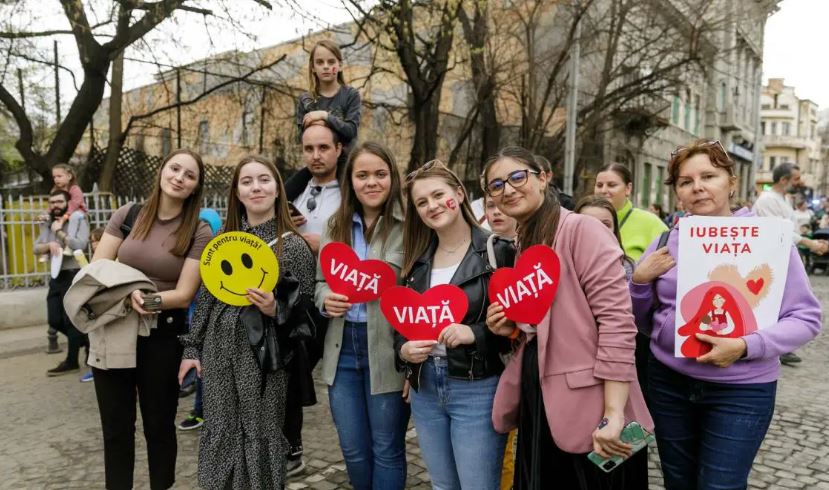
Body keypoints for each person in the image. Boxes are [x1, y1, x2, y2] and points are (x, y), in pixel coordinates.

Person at [630, 139, 821, 489]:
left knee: (721, 485)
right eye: (686, 182)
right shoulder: (664, 242)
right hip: (669, 383)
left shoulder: (769, 242)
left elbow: (806, 319)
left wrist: (747, 345)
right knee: (677, 481)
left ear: (731, 183)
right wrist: (639, 283)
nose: (697, 187)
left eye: (709, 175)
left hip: (741, 390)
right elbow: (644, 322)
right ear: (678, 194)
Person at [484, 147, 652, 490]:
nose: (508, 189)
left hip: (589, 402)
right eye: (496, 185)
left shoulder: (582, 231)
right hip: (541, 399)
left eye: (518, 177)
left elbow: (618, 324)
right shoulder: (525, 241)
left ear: (544, 177)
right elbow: (548, 325)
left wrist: (614, 412)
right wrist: (510, 327)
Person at [179, 155, 316, 489]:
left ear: (277, 190)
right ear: (237, 193)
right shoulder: (221, 241)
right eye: (247, 181)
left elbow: (306, 318)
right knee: (221, 427)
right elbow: (207, 300)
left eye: (264, 179)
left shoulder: (294, 246)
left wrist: (276, 309)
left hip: (264, 361)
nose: (256, 187)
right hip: (219, 352)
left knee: (259, 433)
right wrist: (192, 348)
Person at [91, 149, 211, 490]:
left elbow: (185, 293)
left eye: (189, 175)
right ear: (161, 171)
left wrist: (148, 298)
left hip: (161, 337)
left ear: (194, 187)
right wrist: (126, 291)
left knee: (158, 426)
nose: (179, 177)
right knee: (115, 429)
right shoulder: (128, 214)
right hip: (112, 330)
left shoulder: (198, 230)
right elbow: (98, 268)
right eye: (174, 168)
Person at [396, 159, 513, 490]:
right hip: (426, 388)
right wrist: (404, 350)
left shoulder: (498, 252)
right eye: (421, 202)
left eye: (438, 195)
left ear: (459, 194)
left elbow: (520, 330)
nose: (432, 206)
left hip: (477, 385)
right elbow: (401, 328)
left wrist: (473, 333)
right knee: (443, 486)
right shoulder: (416, 261)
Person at [315, 141, 409, 490]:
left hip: (386, 349)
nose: (372, 182)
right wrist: (326, 299)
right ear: (350, 181)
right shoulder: (334, 226)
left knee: (386, 448)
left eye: (380, 174)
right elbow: (319, 282)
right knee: (353, 450)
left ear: (392, 178)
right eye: (363, 175)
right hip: (342, 350)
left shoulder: (410, 226)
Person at [283, 120, 344, 475]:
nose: (316, 155)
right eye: (309, 149)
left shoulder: (351, 189)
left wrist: (315, 243)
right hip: (294, 294)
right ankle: (291, 447)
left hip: (334, 297)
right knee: (287, 371)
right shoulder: (294, 188)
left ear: (339, 149)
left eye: (323, 148)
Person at [595, 162, 667, 396]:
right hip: (594, 322)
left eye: (612, 184)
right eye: (599, 184)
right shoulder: (584, 217)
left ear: (628, 188)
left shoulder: (650, 223)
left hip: (636, 324)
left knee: (635, 389)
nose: (604, 190)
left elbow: (666, 265)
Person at [752, 162, 826, 365]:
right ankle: (773, 345)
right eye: (795, 178)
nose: (799, 182)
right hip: (771, 258)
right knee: (773, 303)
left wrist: (805, 237)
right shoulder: (767, 200)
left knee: (785, 303)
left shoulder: (783, 199)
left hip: (786, 257)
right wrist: (809, 243)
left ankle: (781, 345)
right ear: (783, 180)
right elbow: (778, 231)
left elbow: (788, 228)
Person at [285, 39, 362, 202]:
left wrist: (324, 117)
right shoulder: (306, 100)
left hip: (344, 162)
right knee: (285, 193)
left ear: (339, 65)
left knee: (352, 200)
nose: (326, 66)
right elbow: (302, 135)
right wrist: (329, 128)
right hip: (318, 161)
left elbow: (350, 131)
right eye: (320, 62)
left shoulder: (350, 95)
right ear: (313, 67)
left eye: (331, 61)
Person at [35, 190, 90, 376]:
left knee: (70, 319)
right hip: (56, 275)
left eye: (59, 201)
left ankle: (72, 361)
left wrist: (59, 232)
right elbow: (36, 247)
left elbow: (80, 244)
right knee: (54, 319)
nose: (55, 205)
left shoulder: (78, 219)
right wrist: (48, 245)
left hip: (74, 273)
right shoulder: (47, 222)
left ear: (68, 203)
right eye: (52, 202)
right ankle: (86, 340)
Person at [178, 208, 222, 431]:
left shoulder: (222, 252)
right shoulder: (190, 251)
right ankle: (200, 409)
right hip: (193, 316)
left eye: (207, 225)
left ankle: (202, 411)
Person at [43, 163, 88, 353]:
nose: (57, 179)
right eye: (54, 176)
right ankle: (81, 340)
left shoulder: (75, 189)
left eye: (60, 176)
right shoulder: (55, 192)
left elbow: (75, 204)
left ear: (70, 175)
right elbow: (51, 206)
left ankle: (78, 345)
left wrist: (64, 218)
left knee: (72, 312)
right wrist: (50, 215)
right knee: (56, 315)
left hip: (74, 216)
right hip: (62, 222)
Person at [575, 195, 635, 281]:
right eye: (589, 224)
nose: (599, 231)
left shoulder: (629, 268)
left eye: (605, 225)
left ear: (615, 230)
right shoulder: (561, 266)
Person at [78, 227, 105, 383]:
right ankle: (94, 368)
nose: (95, 244)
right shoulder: (93, 257)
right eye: (92, 241)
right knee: (93, 337)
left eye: (98, 240)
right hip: (94, 301)